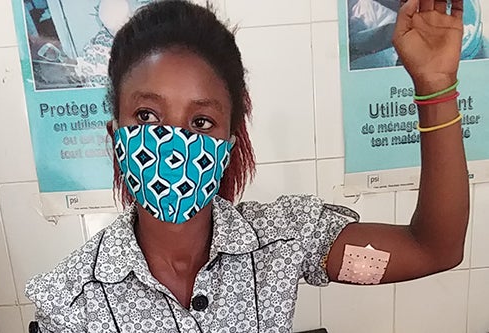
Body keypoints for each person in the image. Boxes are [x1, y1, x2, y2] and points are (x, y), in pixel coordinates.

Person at [25, 0, 469, 331]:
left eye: (201, 121)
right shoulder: (70, 301)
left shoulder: (283, 241)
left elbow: (435, 249)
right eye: (147, 116)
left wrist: (435, 88)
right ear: (115, 137)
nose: (172, 142)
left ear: (227, 145)